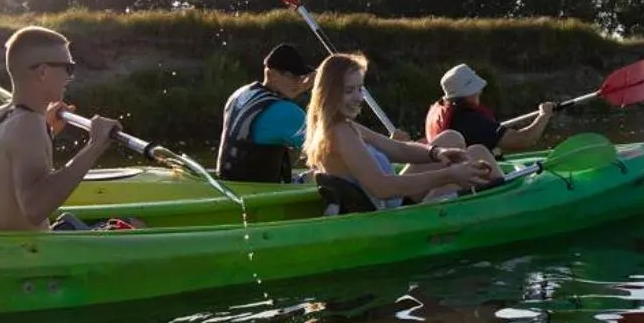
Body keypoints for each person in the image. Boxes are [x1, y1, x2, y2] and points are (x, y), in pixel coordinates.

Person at [0, 25, 124, 231]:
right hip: (24, 252)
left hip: (7, 244)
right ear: (43, 72)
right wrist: (94, 147)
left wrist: (49, 130)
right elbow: (34, 208)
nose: (70, 77)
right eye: (68, 68)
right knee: (135, 225)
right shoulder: (28, 125)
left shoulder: (0, 116)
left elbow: (15, 167)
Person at [304, 52, 493, 206]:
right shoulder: (341, 134)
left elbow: (396, 148)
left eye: (360, 89)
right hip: (390, 215)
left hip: (394, 201)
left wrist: (436, 152)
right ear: (328, 93)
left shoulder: (344, 125)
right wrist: (448, 175)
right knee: (478, 155)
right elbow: (382, 188)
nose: (359, 98)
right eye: (349, 91)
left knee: (452, 138)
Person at [217, 43, 317, 182]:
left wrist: (297, 88)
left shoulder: (239, 95)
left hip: (228, 184)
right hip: (260, 195)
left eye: (301, 77)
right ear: (271, 74)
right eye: (293, 77)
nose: (299, 82)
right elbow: (329, 148)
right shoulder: (286, 112)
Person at [424, 63, 556, 152]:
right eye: (475, 89)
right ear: (466, 93)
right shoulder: (470, 120)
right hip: (464, 178)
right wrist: (544, 115)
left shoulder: (442, 109)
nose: (480, 92)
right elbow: (524, 140)